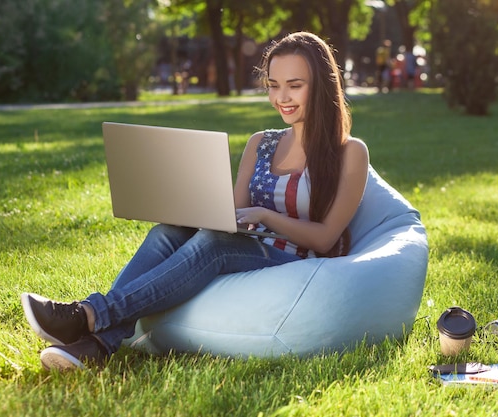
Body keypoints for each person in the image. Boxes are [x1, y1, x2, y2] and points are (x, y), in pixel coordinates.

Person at [20, 31, 370, 371]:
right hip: (250, 245)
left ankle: (88, 315)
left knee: (215, 244)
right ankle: (95, 346)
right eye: (273, 86)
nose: (282, 97)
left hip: (296, 260)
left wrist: (265, 214)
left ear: (322, 85)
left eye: (295, 85)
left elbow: (325, 238)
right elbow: (230, 216)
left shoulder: (350, 152)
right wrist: (193, 208)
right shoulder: (261, 142)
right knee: (166, 232)